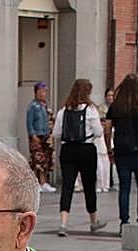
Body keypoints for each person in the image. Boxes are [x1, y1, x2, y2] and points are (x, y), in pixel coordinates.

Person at [50, 78, 107, 236]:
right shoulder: (91, 110)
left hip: (68, 149)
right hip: (86, 149)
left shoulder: (63, 110)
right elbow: (98, 132)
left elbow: (56, 133)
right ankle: (93, 220)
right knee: (89, 186)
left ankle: (63, 223)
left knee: (67, 185)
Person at [107, 73, 138, 231]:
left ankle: (124, 221)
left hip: (121, 151)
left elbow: (107, 129)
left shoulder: (116, 106)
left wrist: (109, 149)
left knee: (124, 187)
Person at [25, 81, 54, 192]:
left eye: (44, 91)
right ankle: (37, 182)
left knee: (46, 159)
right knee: (37, 160)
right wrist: (32, 135)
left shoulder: (45, 106)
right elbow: (29, 122)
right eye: (40, 91)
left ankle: (44, 182)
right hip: (37, 135)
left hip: (46, 135)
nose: (42, 94)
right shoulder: (33, 106)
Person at [97, 87, 114, 192]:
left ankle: (110, 180)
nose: (110, 97)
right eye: (108, 95)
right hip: (104, 134)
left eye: (112, 95)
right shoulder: (101, 108)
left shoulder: (116, 108)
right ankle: (105, 181)